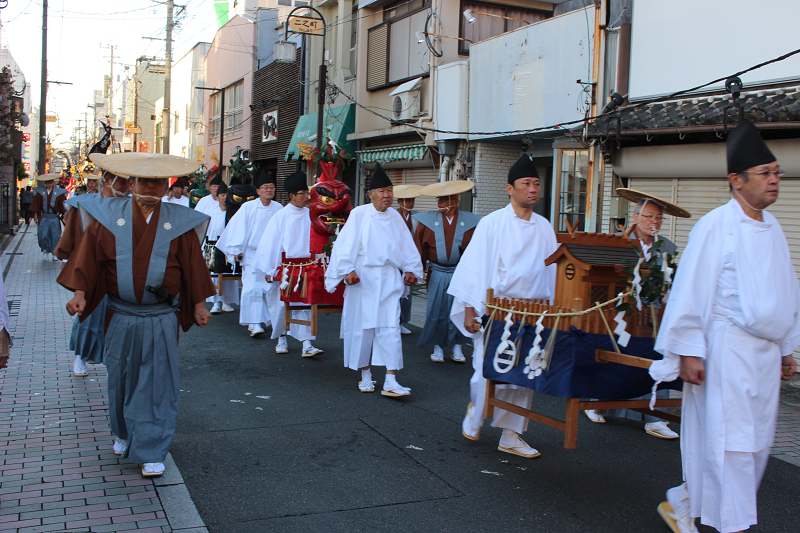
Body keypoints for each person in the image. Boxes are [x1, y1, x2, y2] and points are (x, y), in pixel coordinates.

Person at [649, 121, 800, 533]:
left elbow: (786, 292)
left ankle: (684, 502)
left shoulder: (775, 230)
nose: (774, 181)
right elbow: (691, 291)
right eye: (766, 173)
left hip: (764, 359)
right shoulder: (715, 225)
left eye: (776, 173)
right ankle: (728, 525)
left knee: (757, 447)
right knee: (727, 443)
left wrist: (787, 347)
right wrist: (689, 351)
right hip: (727, 352)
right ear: (736, 180)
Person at [57, 152, 216, 478]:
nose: (152, 188)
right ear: (132, 184)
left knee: (159, 383)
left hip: (161, 317)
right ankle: (124, 431)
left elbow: (192, 267)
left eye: (159, 182)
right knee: (121, 379)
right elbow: (88, 261)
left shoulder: (179, 221)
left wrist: (199, 305)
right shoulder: (106, 217)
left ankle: (152, 449)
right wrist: (79, 295)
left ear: (166, 185)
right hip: (120, 315)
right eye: (146, 181)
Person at [448, 155, 557, 459]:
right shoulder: (492, 223)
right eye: (526, 184)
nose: (533, 189)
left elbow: (551, 274)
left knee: (524, 374)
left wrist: (552, 311)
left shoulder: (545, 227)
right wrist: (470, 310)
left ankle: (511, 434)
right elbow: (474, 268)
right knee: (487, 370)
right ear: (510, 189)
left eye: (536, 184)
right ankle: (477, 411)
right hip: (497, 311)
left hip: (533, 312)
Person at [583, 192, 686, 440]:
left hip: (655, 315)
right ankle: (598, 403)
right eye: (649, 216)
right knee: (617, 360)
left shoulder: (667, 248)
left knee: (657, 359)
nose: (654, 221)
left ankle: (656, 418)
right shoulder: (618, 242)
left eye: (659, 218)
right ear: (636, 217)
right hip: (622, 311)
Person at [325, 163, 423, 396]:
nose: (387, 195)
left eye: (389, 190)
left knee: (390, 327)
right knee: (363, 327)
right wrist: (347, 270)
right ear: (370, 194)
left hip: (389, 277)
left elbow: (407, 247)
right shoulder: (359, 214)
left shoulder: (397, 217)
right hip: (364, 279)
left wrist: (411, 270)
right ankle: (365, 373)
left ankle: (391, 379)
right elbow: (344, 245)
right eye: (381, 191)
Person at [56, 161, 131, 378]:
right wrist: (71, 265)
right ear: (106, 181)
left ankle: (113, 359)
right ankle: (81, 355)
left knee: (117, 318)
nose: (126, 187)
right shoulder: (84, 205)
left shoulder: (131, 207)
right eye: (121, 182)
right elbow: (70, 240)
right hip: (90, 269)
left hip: (121, 271)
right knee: (88, 315)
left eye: (128, 182)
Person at [254, 171, 323, 356]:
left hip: (306, 267)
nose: (307, 197)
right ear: (292, 196)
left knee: (305, 304)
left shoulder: (312, 215)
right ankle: (281, 338)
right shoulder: (280, 216)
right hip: (284, 268)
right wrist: (270, 268)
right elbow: (271, 243)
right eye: (303, 193)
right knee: (280, 304)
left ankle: (307, 343)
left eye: (307, 193)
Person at [413, 181, 480, 363]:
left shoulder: (471, 222)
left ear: (455, 201)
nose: (439, 203)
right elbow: (418, 247)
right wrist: (416, 269)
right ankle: (437, 346)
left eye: (443, 200)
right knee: (436, 308)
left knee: (458, 308)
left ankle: (458, 346)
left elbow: (475, 252)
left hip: (460, 273)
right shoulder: (427, 221)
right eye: (439, 200)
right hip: (437, 271)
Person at [215, 170, 282, 337]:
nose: (269, 190)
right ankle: (255, 323)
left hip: (273, 255)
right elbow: (238, 228)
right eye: (265, 187)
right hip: (252, 253)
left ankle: (275, 321)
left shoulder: (279, 208)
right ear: (258, 191)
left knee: (273, 288)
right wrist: (236, 250)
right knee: (252, 288)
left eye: (271, 187)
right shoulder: (248, 207)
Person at [204, 181, 238, 314]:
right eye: (222, 195)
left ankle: (227, 302)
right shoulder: (211, 212)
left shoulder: (234, 212)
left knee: (229, 274)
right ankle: (215, 303)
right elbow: (208, 230)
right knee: (215, 276)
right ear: (217, 197)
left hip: (229, 246)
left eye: (226, 195)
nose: (224, 198)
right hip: (214, 245)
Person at [393, 184, 422, 335]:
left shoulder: (417, 217)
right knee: (394, 291)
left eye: (412, 200)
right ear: (399, 202)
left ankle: (403, 321)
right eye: (406, 200)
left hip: (410, 260)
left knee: (408, 294)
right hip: (396, 259)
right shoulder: (392, 216)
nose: (410, 203)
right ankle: (394, 321)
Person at [29, 173, 68, 260]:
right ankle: (46, 250)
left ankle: (55, 252)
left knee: (55, 235)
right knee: (43, 235)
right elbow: (36, 204)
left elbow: (63, 205)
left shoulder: (59, 192)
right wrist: (35, 215)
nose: (49, 183)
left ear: (53, 182)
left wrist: (64, 215)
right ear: (45, 182)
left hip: (54, 217)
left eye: (51, 181)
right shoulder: (40, 192)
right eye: (48, 182)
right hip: (44, 217)